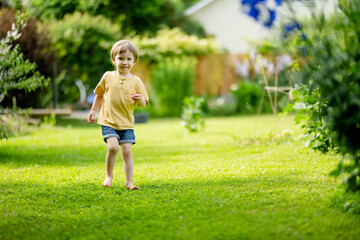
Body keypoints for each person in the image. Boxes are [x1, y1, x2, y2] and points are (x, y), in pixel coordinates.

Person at [87, 40, 148, 189]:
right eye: (121, 58)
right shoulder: (108, 76)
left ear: (134, 61)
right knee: (113, 147)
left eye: (129, 59)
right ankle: (109, 176)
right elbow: (99, 94)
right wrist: (93, 110)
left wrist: (140, 99)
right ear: (114, 60)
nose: (125, 62)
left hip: (126, 123)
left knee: (127, 151)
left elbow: (144, 103)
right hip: (109, 121)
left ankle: (129, 182)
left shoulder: (136, 81)